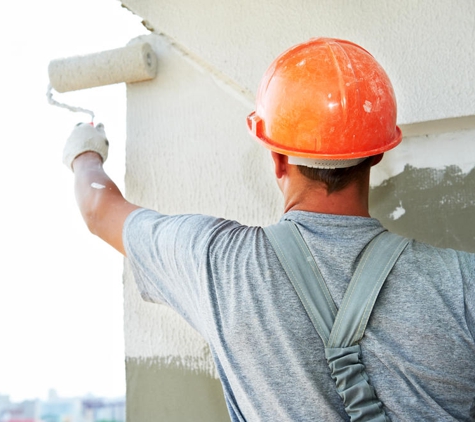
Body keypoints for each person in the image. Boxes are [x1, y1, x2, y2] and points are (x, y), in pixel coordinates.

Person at [63, 38, 475, 421]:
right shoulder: (462, 282)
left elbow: (99, 209)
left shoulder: (219, 264)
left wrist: (85, 150)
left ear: (278, 159)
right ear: (376, 155)